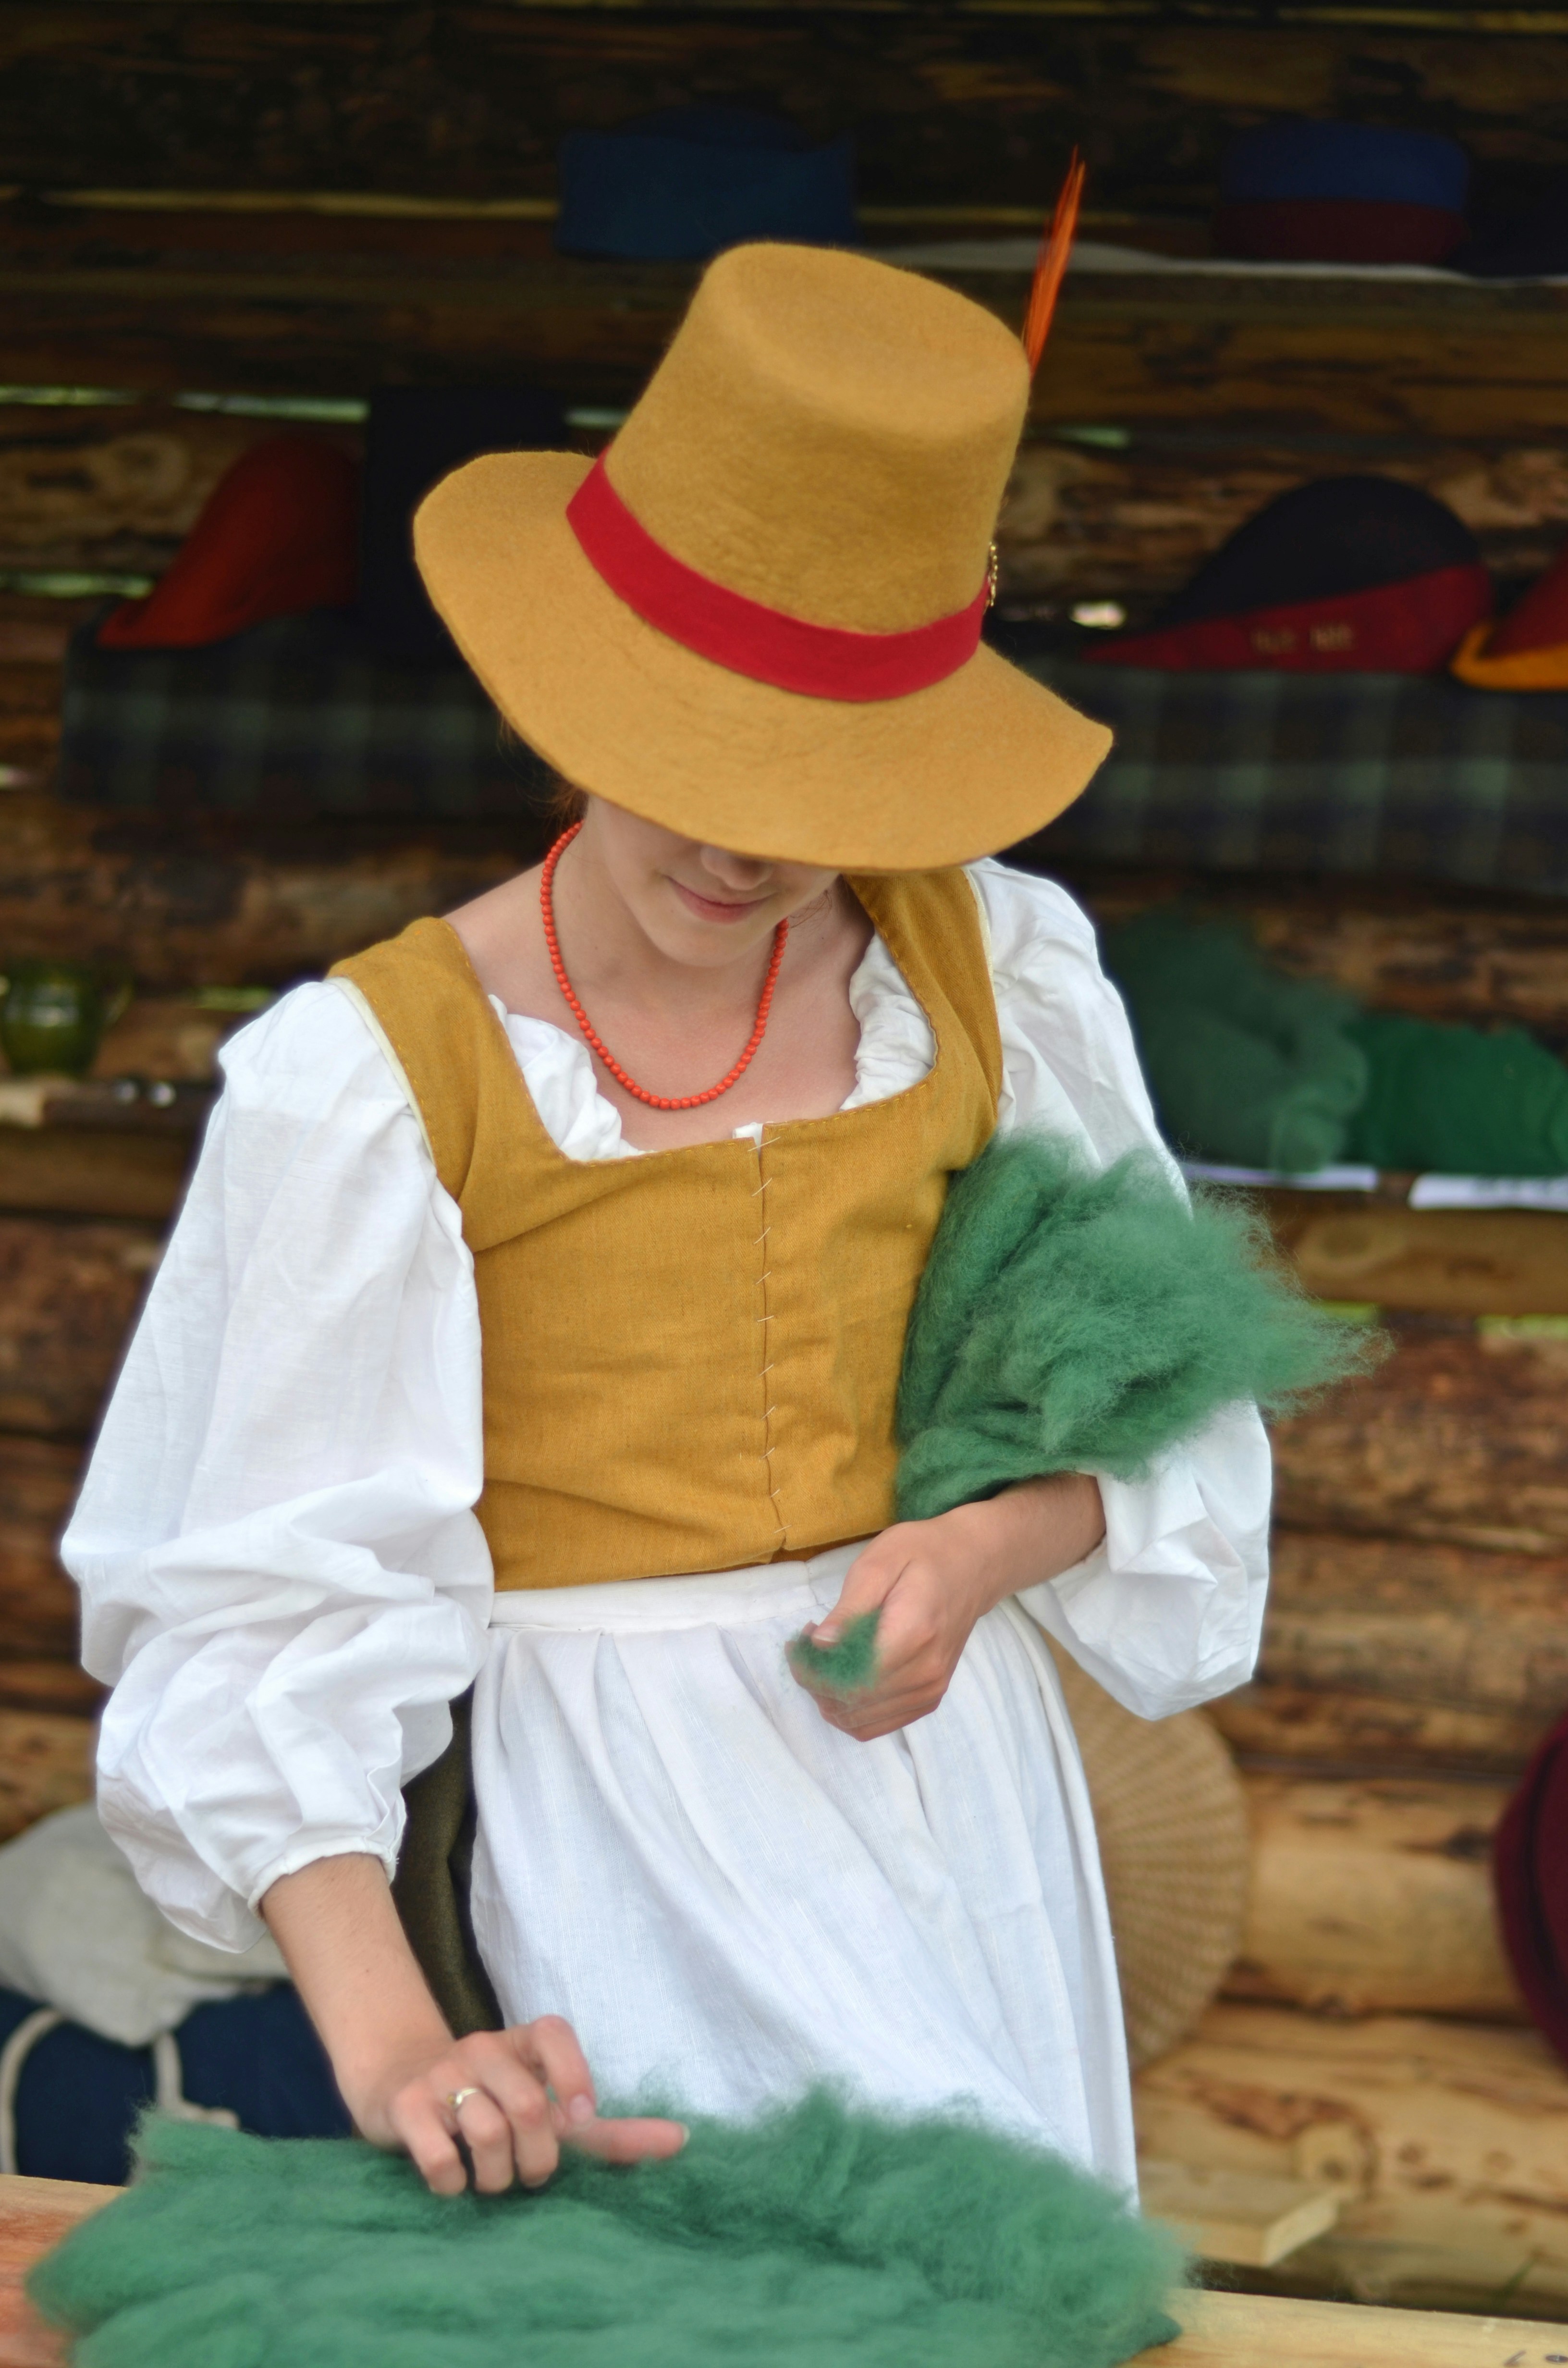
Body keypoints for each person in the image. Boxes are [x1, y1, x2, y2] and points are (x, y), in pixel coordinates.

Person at [64, 242, 1270, 2208]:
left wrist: (977, 1550)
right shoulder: (374, 1074)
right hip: (596, 1837)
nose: (741, 842)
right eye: (691, 751)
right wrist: (397, 2038)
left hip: (951, 1820)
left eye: (820, 778)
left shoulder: (999, 972)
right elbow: (260, 1609)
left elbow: (1158, 1414)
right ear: (574, 694)